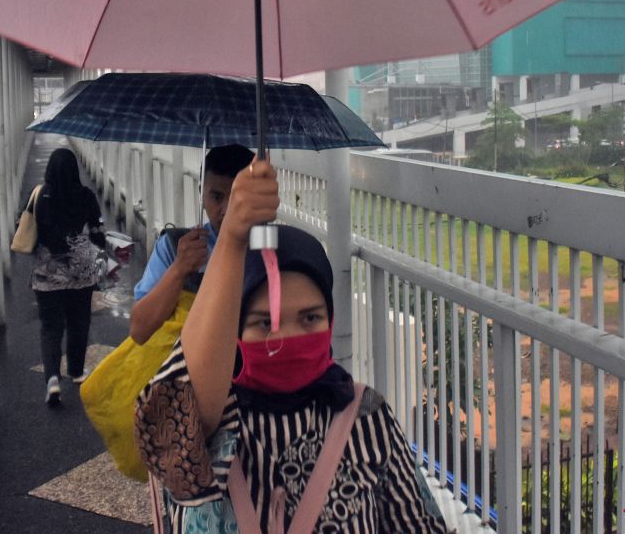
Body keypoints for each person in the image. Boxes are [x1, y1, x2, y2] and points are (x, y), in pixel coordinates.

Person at [135, 161, 452, 533]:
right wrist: (233, 239)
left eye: (310, 319)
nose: (283, 340)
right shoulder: (212, 427)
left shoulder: (367, 418)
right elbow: (164, 429)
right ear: (234, 329)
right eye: (263, 322)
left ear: (330, 320)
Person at [129, 144, 254, 345]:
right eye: (216, 197)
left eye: (239, 198)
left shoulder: (276, 252)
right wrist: (179, 269)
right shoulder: (175, 247)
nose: (226, 211)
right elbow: (140, 330)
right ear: (201, 194)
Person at [29, 147, 106, 405]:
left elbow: (28, 228)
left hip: (47, 275)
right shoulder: (85, 196)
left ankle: (52, 378)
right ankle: (75, 370)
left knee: (51, 326)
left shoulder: (41, 196)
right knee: (79, 321)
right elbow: (97, 233)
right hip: (80, 273)